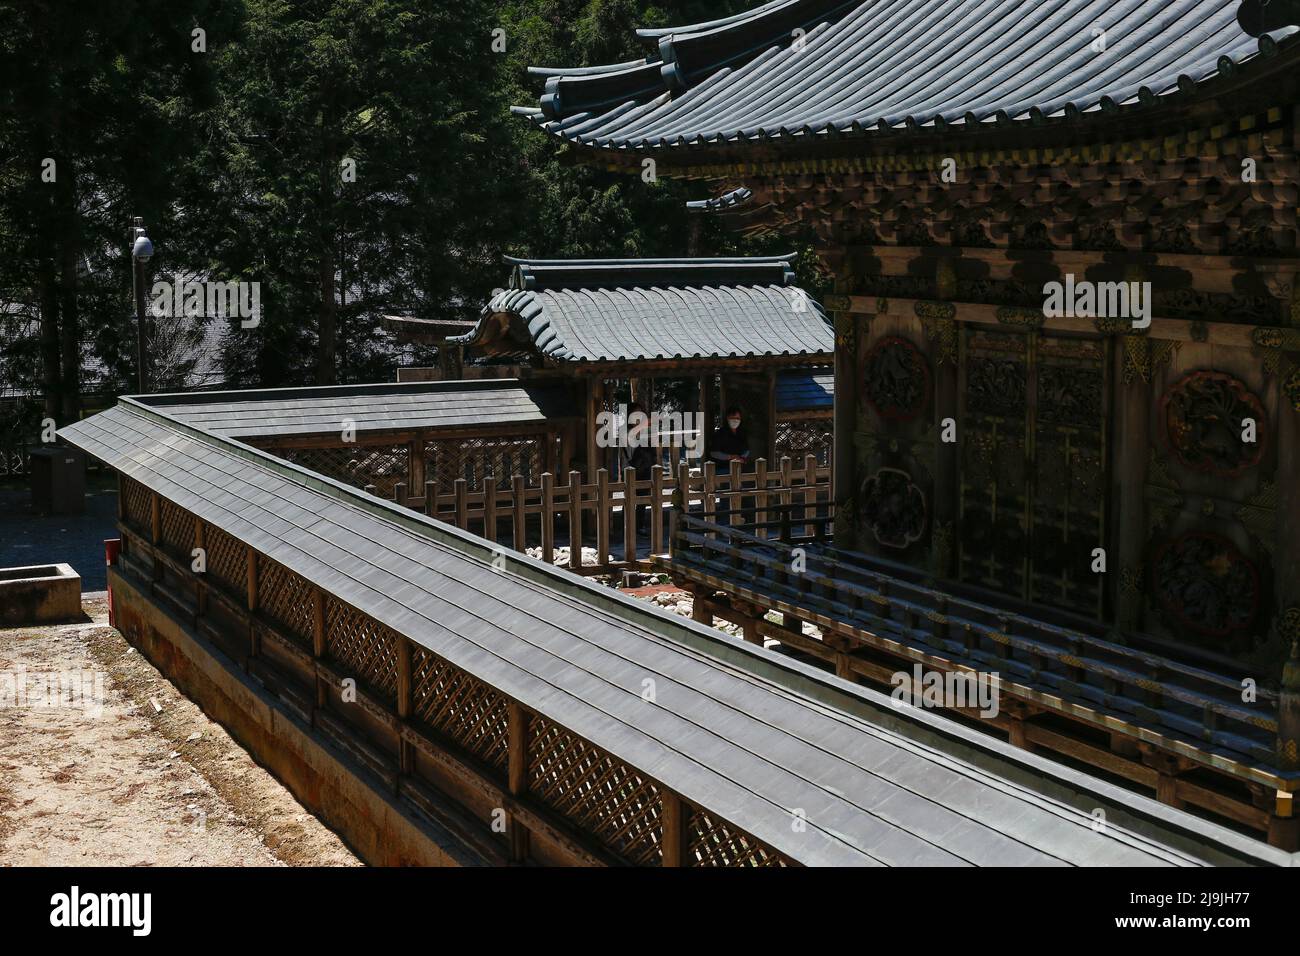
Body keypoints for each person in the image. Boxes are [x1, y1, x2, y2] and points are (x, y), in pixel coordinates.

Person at [623, 402, 657, 530]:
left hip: (645, 468)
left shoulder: (646, 433)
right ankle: (627, 525)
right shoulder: (625, 433)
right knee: (629, 498)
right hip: (630, 468)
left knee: (643, 499)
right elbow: (626, 453)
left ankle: (639, 525)